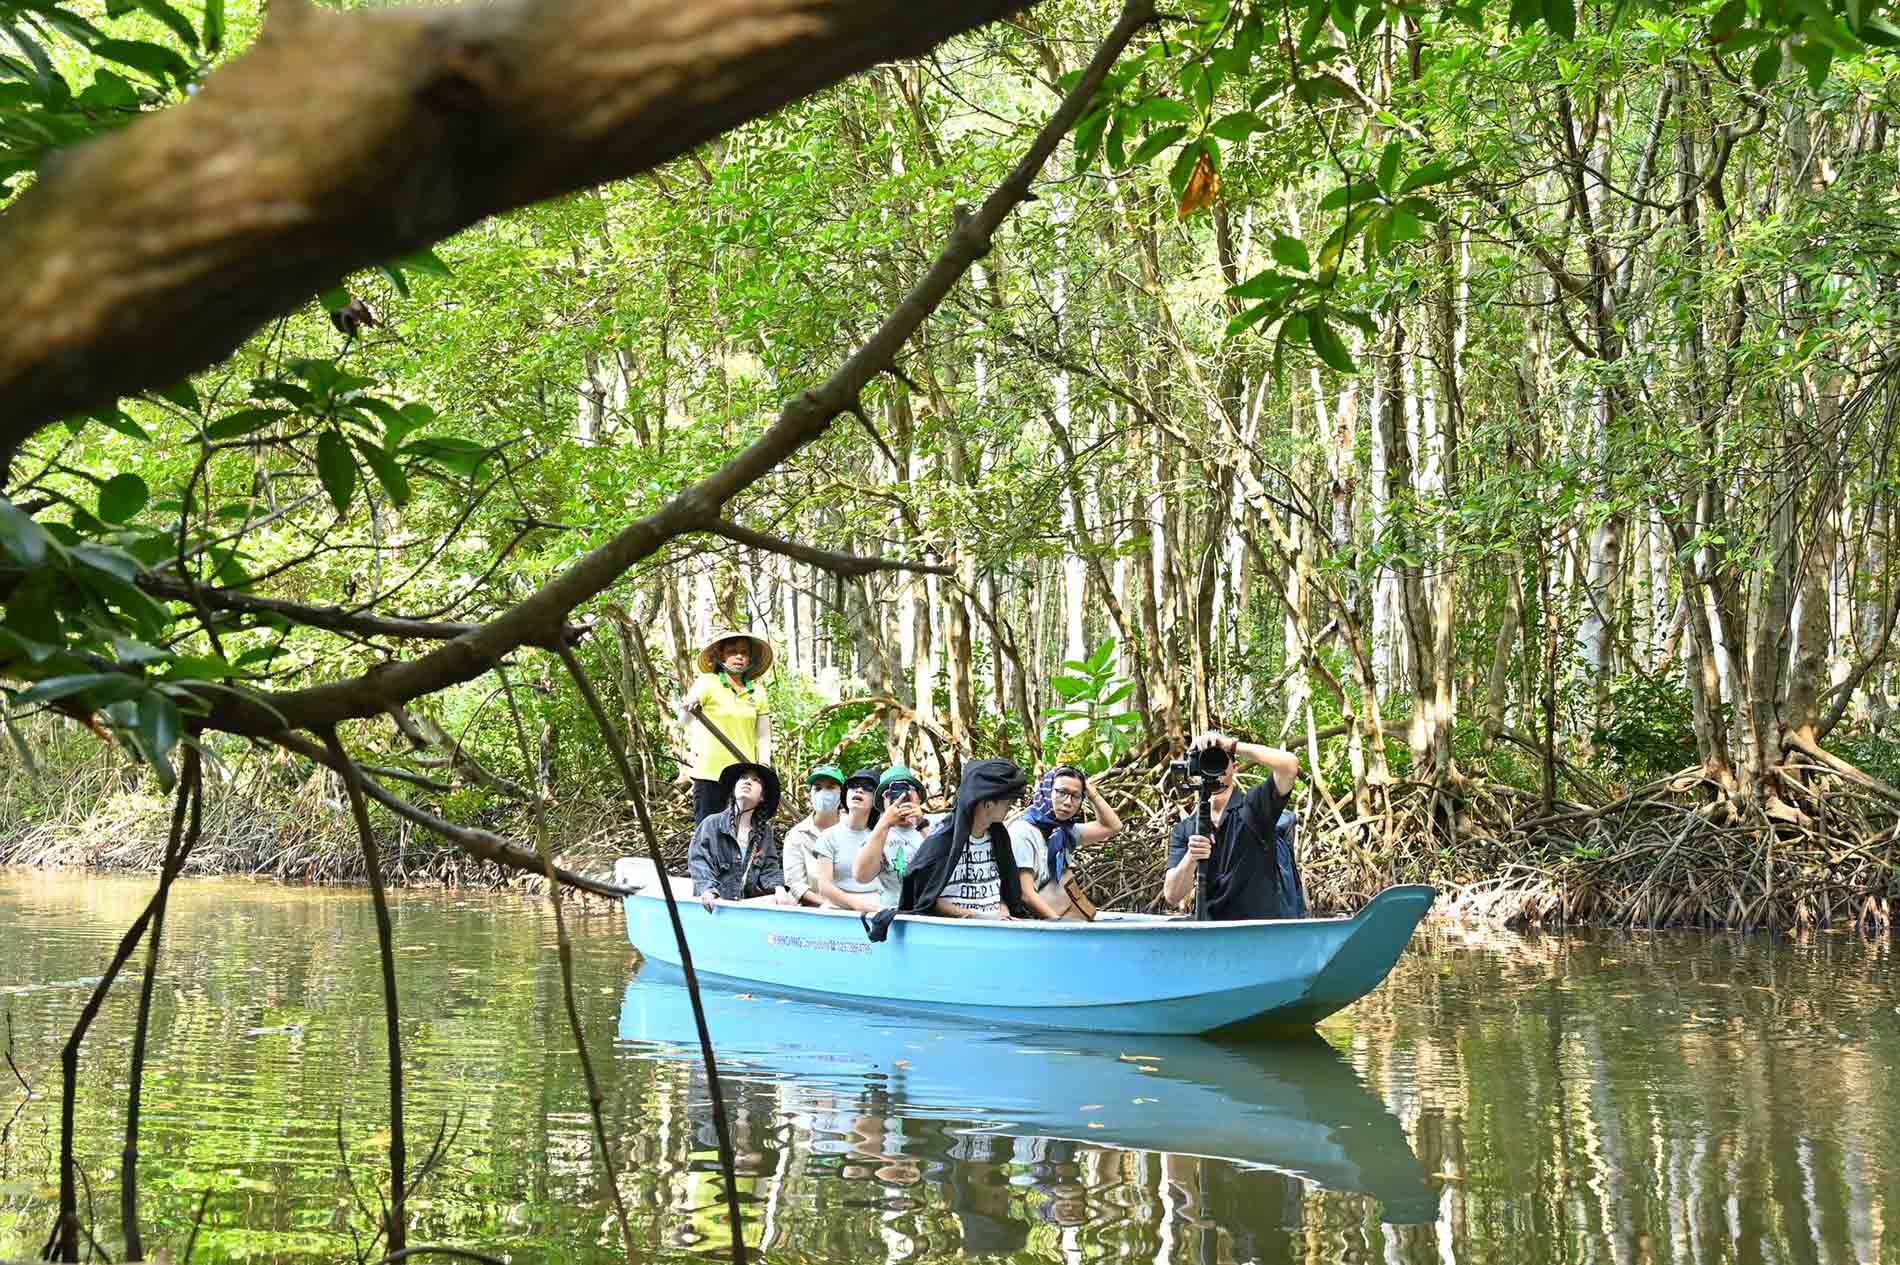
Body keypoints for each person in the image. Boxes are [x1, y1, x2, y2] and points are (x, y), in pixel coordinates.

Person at [865, 758, 1030, 939]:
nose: (1011, 806)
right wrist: (983, 917)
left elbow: (1003, 886)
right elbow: (927, 900)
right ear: (988, 804)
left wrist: (1003, 910)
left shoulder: (999, 837)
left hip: (995, 932)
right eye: (1007, 801)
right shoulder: (943, 840)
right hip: (952, 936)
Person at [1161, 732, 1301, 919]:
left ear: (1234, 767)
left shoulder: (1255, 807)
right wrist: (1191, 857)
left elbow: (1290, 765)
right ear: (1192, 770)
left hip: (1259, 930)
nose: (1210, 766)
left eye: (1217, 759)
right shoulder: (1185, 829)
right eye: (1203, 760)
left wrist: (1231, 745)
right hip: (1212, 931)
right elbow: (1172, 895)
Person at [679, 628, 773, 824]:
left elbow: (763, 737)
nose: (738, 656)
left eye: (744, 652)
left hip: (743, 777)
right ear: (721, 655)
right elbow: (684, 721)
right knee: (707, 834)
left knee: (740, 833)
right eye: (732, 651)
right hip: (710, 774)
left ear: (750, 658)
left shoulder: (758, 692)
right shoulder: (707, 683)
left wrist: (763, 767)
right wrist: (689, 705)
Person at [1006, 765, 1122, 920]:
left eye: (1076, 796)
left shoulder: (1064, 831)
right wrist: (1059, 925)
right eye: (1061, 792)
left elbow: (1112, 826)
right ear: (1047, 790)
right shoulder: (1022, 832)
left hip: (1054, 916)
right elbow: (1026, 894)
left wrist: (1092, 794)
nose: (1068, 802)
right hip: (1031, 921)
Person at [687, 761, 795, 910]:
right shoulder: (712, 824)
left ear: (762, 797)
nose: (748, 782)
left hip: (745, 906)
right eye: (743, 778)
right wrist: (707, 889)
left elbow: (769, 868)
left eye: (755, 780)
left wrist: (779, 888)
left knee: (787, 900)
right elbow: (699, 861)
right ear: (734, 789)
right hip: (716, 904)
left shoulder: (764, 832)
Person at [810, 768, 891, 912]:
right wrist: (856, 904)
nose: (859, 790)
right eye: (853, 786)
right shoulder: (829, 836)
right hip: (837, 907)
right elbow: (825, 887)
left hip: (878, 906)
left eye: (867, 788)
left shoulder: (883, 834)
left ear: (876, 800)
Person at [847, 765, 931, 900]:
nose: (902, 797)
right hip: (893, 912)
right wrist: (884, 823)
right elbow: (861, 876)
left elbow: (950, 864)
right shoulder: (879, 833)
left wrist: (922, 824)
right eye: (890, 793)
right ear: (882, 802)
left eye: (908, 789)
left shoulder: (937, 824)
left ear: (919, 796)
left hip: (931, 909)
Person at [781, 764, 845, 907]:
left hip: (856, 909)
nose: (823, 792)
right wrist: (828, 905)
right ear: (810, 793)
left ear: (842, 793)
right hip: (814, 911)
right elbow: (795, 884)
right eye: (817, 788)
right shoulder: (796, 835)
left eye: (830, 787)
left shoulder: (854, 828)